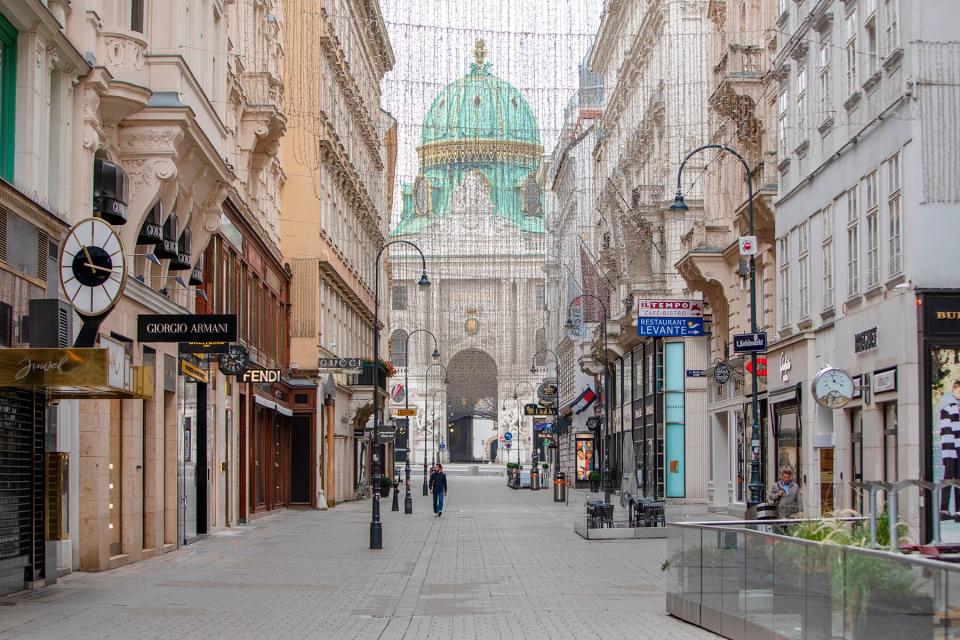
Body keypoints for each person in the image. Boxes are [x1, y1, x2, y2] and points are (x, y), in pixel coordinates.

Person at [939, 380, 960, 518]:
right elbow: (946, 432)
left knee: (957, 479)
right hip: (950, 450)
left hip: (955, 449)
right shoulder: (947, 408)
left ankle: (958, 510)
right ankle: (944, 509)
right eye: (957, 390)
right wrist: (946, 454)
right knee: (948, 478)